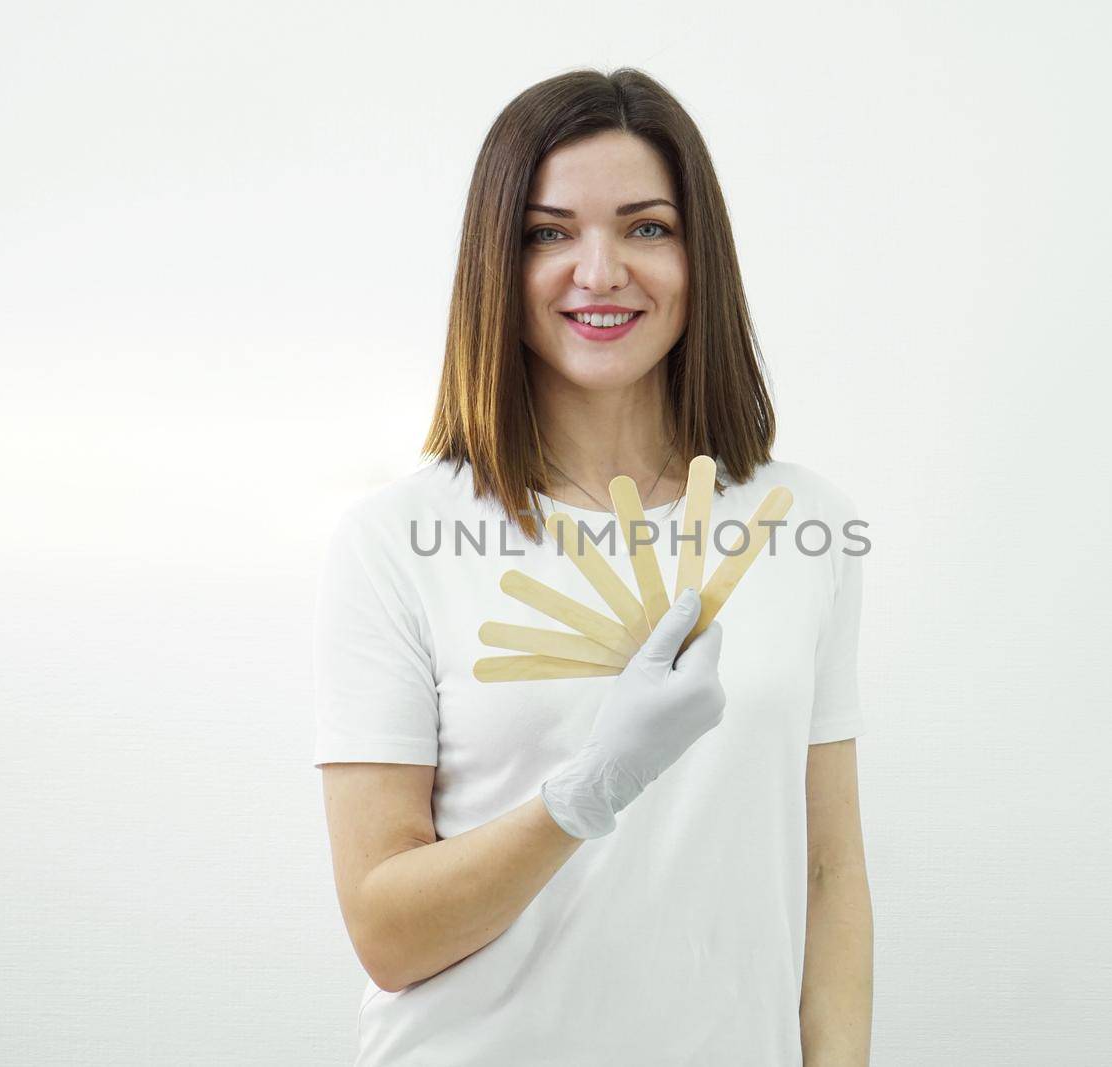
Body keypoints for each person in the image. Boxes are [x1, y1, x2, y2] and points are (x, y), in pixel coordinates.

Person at [314, 67, 873, 1066]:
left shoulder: (801, 524)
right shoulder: (396, 537)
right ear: (498, 260)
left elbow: (828, 872)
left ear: (699, 256)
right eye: (549, 231)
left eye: (646, 227)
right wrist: (586, 790)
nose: (601, 269)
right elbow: (385, 933)